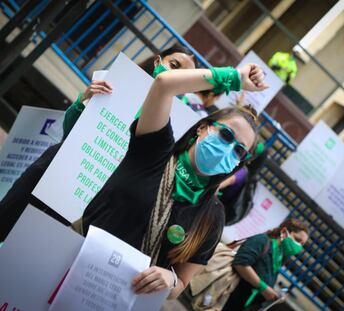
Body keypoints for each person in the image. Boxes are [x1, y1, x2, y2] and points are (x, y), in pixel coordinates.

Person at [74, 62, 267, 299]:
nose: (228, 150)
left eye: (239, 151)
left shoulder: (213, 216)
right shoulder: (154, 150)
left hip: (117, 298)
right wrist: (234, 77)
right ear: (203, 128)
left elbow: (180, 284)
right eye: (226, 135)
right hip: (71, 260)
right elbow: (164, 84)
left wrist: (170, 279)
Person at [0, 44, 198, 241]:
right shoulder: (117, 83)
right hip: (53, 171)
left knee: (33, 247)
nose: (177, 75)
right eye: (174, 65)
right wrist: (83, 100)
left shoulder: (176, 128)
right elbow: (70, 132)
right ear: (158, 62)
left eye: (186, 76)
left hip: (89, 198)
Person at [222, 219, 309, 310]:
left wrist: (275, 295)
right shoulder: (262, 241)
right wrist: (264, 288)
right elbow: (241, 263)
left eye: (302, 244)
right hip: (227, 298)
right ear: (283, 232)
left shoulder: (282, 256)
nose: (298, 246)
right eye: (297, 239)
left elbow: (265, 279)